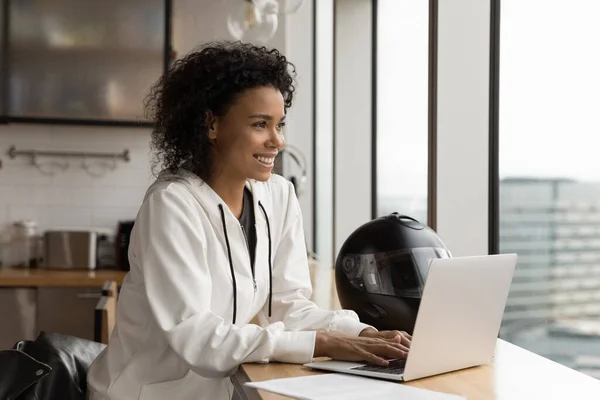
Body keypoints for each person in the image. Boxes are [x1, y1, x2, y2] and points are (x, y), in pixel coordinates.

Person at [86, 41, 411, 400]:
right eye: (261, 125)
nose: (278, 141)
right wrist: (322, 343)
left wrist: (359, 333)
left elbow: (290, 305)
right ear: (211, 124)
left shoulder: (279, 195)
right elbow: (198, 338)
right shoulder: (173, 204)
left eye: (280, 125)